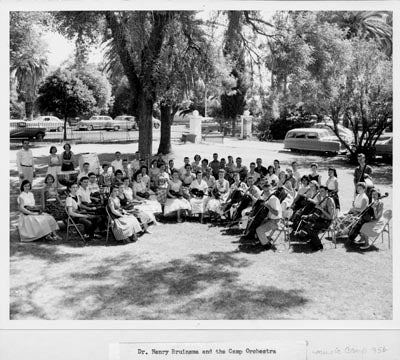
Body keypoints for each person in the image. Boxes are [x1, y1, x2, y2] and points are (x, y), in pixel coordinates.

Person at [293, 185, 335, 252]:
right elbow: (317, 214)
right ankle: (310, 239)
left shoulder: (329, 201)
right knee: (306, 221)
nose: (321, 192)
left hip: (326, 222)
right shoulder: (321, 199)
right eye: (320, 191)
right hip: (320, 219)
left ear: (327, 191)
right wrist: (307, 216)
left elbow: (330, 217)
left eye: (322, 191)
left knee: (309, 226)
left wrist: (321, 209)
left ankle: (319, 245)